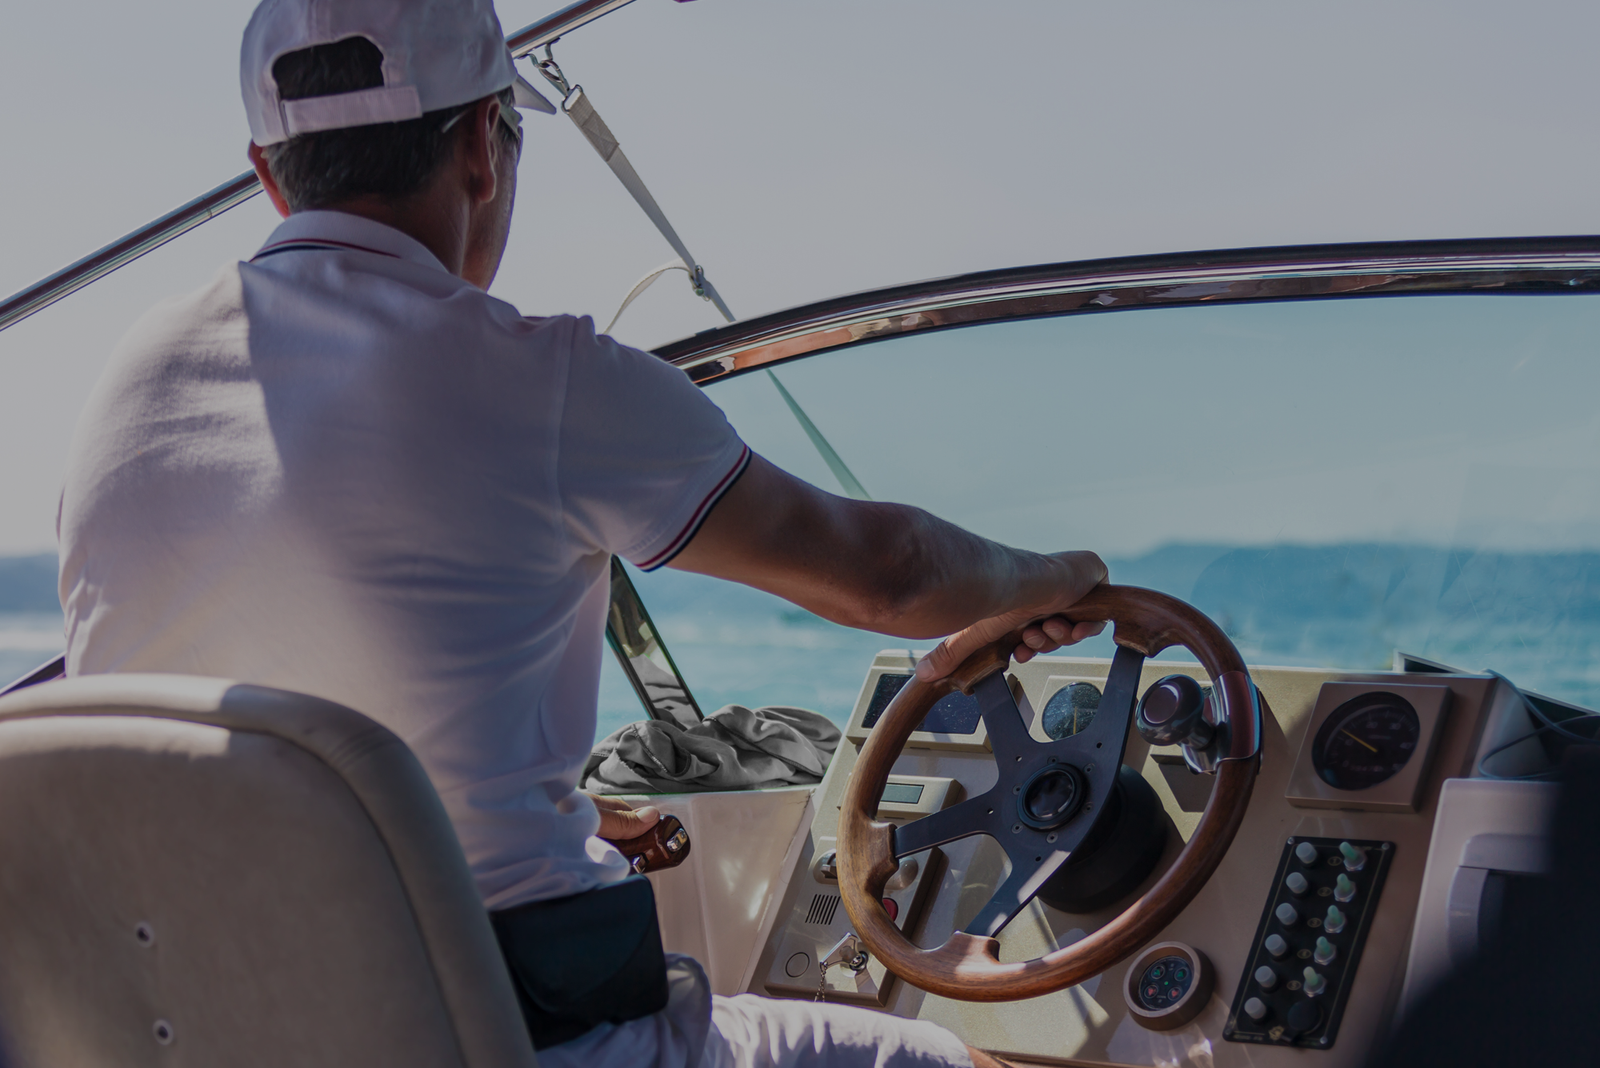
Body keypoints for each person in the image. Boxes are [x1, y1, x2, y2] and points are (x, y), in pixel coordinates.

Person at [55, 0, 1107, 1066]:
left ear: (271, 175)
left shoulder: (126, 384)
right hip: (498, 1033)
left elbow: (245, 694)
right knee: (944, 1060)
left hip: (177, 1027)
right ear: (481, 147)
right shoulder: (537, 376)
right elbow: (887, 577)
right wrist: (1060, 577)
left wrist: (560, 807)